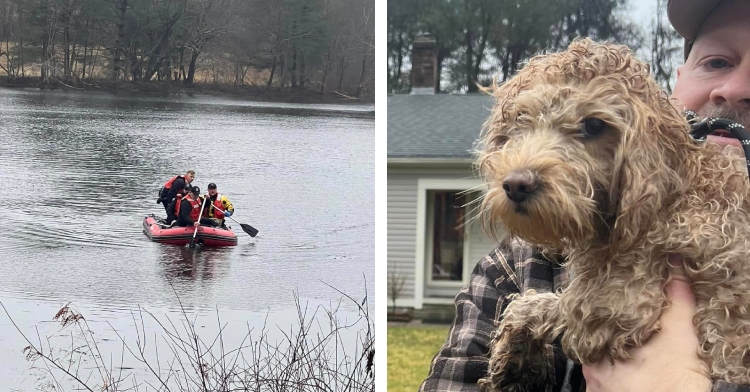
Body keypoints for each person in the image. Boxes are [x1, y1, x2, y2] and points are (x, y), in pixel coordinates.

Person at [419, 0, 750, 391]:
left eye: (591, 127)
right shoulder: (517, 265)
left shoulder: (693, 227)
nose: (735, 89)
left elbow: (614, 326)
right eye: (717, 62)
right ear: (678, 80)